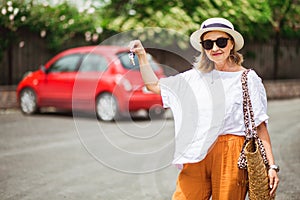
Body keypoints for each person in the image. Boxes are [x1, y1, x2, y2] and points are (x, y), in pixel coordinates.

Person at [129, 17, 279, 200]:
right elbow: (154, 86)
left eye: (221, 42)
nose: (215, 48)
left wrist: (271, 166)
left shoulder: (248, 78)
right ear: (203, 48)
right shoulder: (194, 78)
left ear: (231, 44)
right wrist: (143, 56)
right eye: (208, 44)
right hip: (196, 151)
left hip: (230, 152)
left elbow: (260, 126)